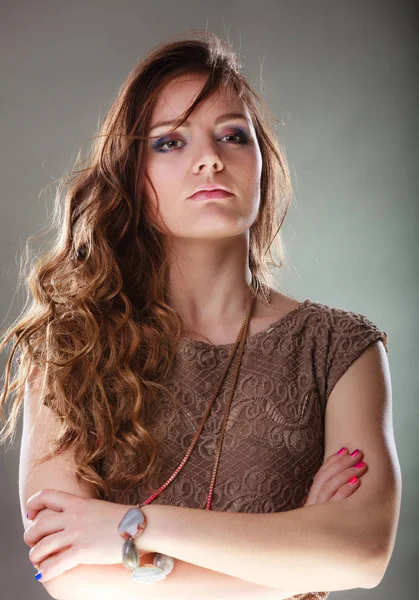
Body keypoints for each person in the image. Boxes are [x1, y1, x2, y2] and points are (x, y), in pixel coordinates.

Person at [0, 29, 400, 600]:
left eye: (233, 136)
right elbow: (70, 575)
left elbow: (360, 554)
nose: (210, 158)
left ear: (263, 164)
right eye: (170, 142)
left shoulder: (340, 348)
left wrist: (129, 530)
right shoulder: (71, 345)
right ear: (133, 175)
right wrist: (292, 570)